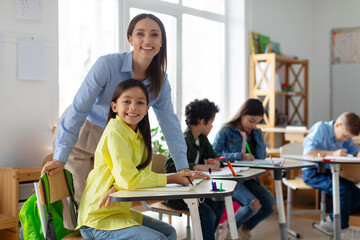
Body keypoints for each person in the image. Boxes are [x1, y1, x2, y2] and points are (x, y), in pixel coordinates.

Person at [42, 13, 194, 202]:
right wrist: (60, 158)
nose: (147, 40)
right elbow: (79, 108)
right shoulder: (107, 65)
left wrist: (183, 167)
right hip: (82, 132)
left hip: (115, 139)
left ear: (161, 42)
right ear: (129, 38)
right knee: (77, 202)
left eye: (154, 35)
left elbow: (170, 124)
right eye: (140, 34)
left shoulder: (160, 81)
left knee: (107, 203)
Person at [76, 79, 196, 240]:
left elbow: (139, 177)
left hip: (118, 213)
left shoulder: (139, 136)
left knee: (169, 232)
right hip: (97, 220)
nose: (133, 107)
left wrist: (120, 185)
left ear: (146, 109)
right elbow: (131, 180)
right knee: (157, 238)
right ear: (114, 107)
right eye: (126, 101)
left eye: (140, 102)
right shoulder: (115, 132)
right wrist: (172, 178)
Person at [213, 98, 277, 240]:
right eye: (251, 121)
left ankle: (243, 228)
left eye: (257, 122)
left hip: (247, 178)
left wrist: (258, 137)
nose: (253, 125)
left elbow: (260, 158)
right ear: (242, 115)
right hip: (230, 178)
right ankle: (231, 227)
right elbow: (214, 156)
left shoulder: (254, 134)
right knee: (253, 204)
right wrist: (239, 156)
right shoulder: (226, 131)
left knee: (271, 205)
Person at [165, 98, 225, 240]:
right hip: (179, 194)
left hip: (196, 190)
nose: (211, 127)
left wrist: (216, 163)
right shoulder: (183, 139)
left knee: (218, 202)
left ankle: (205, 237)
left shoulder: (202, 139)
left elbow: (215, 157)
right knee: (207, 214)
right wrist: (197, 166)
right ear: (202, 121)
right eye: (211, 122)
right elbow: (170, 167)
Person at [302, 112, 360, 238]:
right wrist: (333, 153)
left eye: (348, 137)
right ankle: (343, 230)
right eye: (344, 135)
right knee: (343, 191)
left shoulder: (345, 136)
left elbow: (355, 150)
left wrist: (358, 154)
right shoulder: (321, 128)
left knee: (357, 192)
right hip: (312, 173)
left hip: (328, 172)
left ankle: (332, 221)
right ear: (338, 125)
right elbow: (309, 152)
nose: (345, 140)